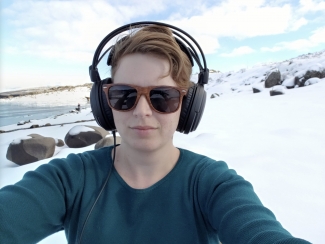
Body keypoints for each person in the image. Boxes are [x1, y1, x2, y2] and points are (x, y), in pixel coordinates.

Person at [0, 23, 311, 244]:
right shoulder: (67, 179)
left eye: (163, 96)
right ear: (104, 104)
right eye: (124, 95)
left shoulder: (214, 184)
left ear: (187, 106)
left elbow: (260, 232)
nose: (142, 111)